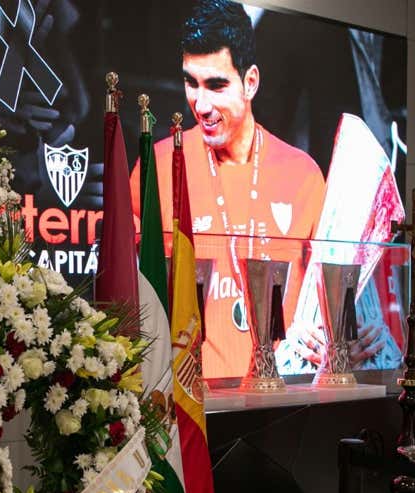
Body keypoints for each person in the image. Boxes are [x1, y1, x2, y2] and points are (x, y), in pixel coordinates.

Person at [130, 0, 326, 380]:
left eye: (217, 85)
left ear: (249, 82)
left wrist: (328, 338)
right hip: (186, 407)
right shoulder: (157, 166)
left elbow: (329, 310)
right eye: (191, 82)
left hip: (282, 398)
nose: (201, 105)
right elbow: (130, 301)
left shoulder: (303, 175)